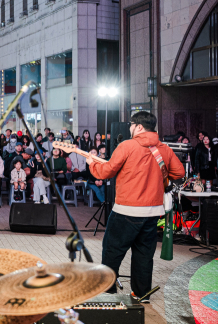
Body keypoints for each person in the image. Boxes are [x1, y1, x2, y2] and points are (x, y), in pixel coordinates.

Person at [86, 111, 185, 303]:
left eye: (131, 125)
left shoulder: (127, 146)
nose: (130, 128)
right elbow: (179, 172)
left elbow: (106, 172)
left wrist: (92, 164)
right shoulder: (164, 148)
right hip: (153, 212)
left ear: (139, 127)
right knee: (144, 254)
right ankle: (141, 294)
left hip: (126, 210)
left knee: (112, 251)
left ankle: (107, 292)